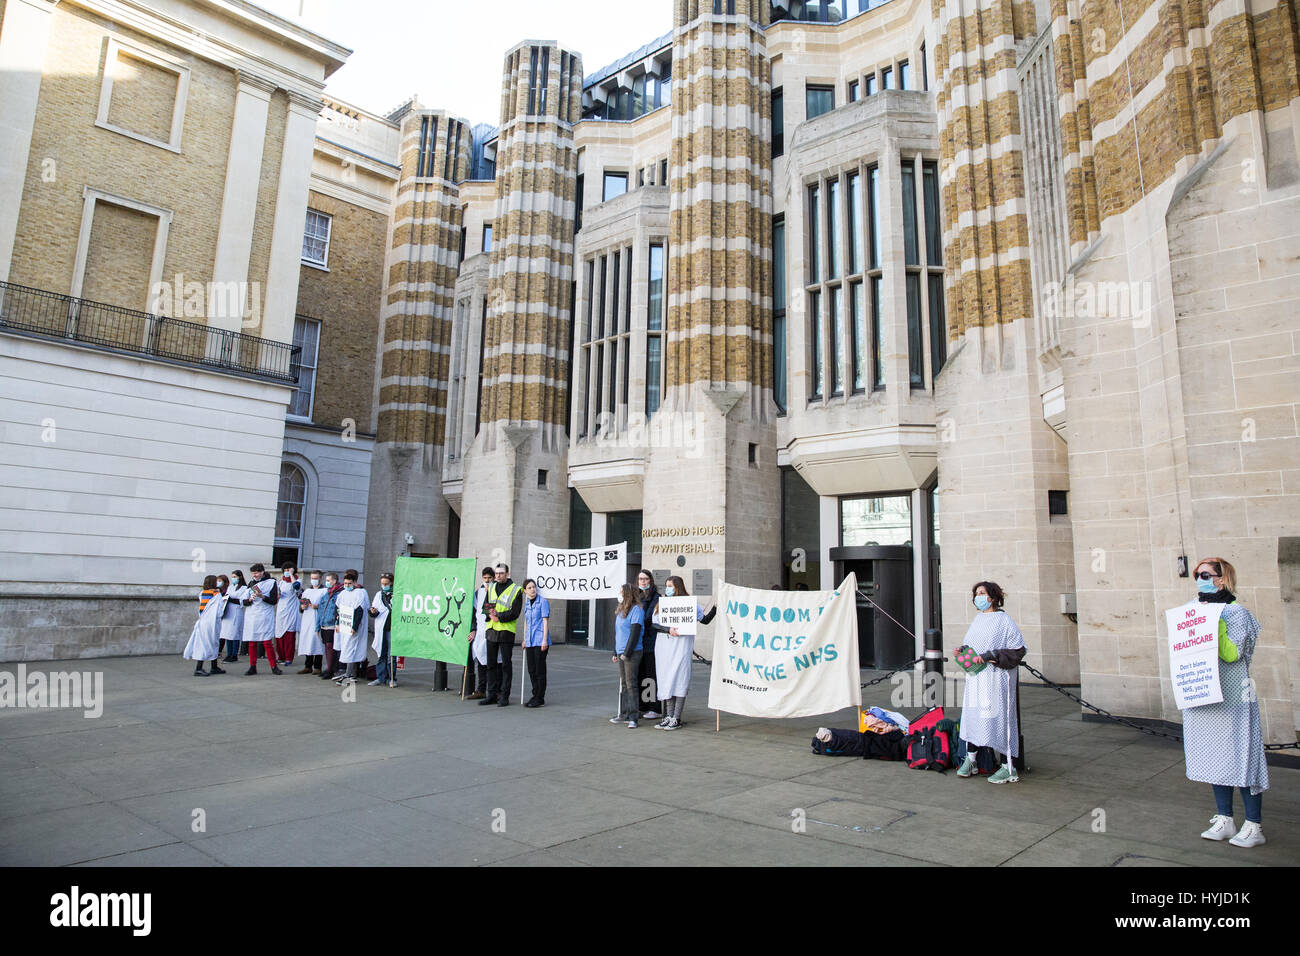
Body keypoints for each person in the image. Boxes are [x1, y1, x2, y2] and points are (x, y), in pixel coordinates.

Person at [1184, 557, 1268, 848]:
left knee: (1242, 759)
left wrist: (1212, 625)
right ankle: (1225, 818)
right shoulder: (1195, 610)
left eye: (1205, 574)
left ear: (1222, 578)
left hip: (1234, 698)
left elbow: (1232, 655)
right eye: (1197, 574)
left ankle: (1254, 825)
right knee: (1213, 757)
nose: (1199, 579)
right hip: (1205, 694)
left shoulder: (1236, 613)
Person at [954, 581, 1025, 783]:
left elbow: (1018, 649)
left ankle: (1008, 766)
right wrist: (962, 650)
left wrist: (989, 655)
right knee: (973, 719)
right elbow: (973, 644)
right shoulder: (977, 620)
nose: (978, 596)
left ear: (992, 597)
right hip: (976, 678)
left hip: (997, 679)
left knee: (1000, 721)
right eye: (976, 593)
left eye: (982, 593)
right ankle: (971, 760)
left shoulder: (1004, 621)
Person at [652, 575, 716, 730]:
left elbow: (705, 620)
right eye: (666, 586)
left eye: (670, 586)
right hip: (664, 648)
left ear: (678, 587)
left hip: (681, 647)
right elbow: (654, 624)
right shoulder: (661, 604)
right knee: (667, 679)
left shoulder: (691, 604)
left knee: (679, 679)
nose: (667, 589)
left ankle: (676, 717)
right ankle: (668, 715)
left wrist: (715, 608)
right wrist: (668, 629)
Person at [480, 563, 523, 707]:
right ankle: (491, 694)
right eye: (496, 573)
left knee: (505, 665)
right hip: (491, 629)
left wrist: (499, 616)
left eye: (501, 573)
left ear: (507, 574)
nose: (498, 576)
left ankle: (504, 696)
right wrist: (490, 614)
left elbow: (515, 612)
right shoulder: (491, 587)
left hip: (506, 631)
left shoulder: (516, 590)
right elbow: (485, 605)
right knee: (491, 664)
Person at [611, 584, 645, 728]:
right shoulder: (620, 611)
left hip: (632, 652)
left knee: (631, 684)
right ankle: (624, 713)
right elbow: (618, 633)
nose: (619, 594)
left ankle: (633, 717)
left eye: (621, 592)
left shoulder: (636, 610)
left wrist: (627, 653)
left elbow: (635, 632)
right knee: (624, 683)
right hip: (621, 652)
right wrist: (615, 652)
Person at [240, 563, 282, 675]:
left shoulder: (271, 583)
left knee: (267, 642)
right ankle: (252, 666)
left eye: (257, 572)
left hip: (264, 615)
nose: (255, 575)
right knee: (252, 642)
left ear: (262, 572)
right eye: (253, 573)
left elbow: (274, 601)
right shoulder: (251, 584)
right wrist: (249, 599)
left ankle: (274, 666)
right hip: (252, 615)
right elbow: (243, 601)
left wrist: (262, 596)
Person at [635, 570, 663, 720]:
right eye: (640, 579)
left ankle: (654, 707)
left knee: (650, 675)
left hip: (651, 642)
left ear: (651, 581)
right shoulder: (636, 597)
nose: (643, 582)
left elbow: (648, 619)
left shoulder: (656, 598)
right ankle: (643, 706)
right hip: (638, 643)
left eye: (645, 579)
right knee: (640, 675)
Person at [185, 575, 226, 676]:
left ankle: (214, 667)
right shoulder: (216, 594)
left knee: (206, 643)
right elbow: (219, 611)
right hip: (212, 623)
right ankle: (199, 669)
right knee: (210, 644)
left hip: (203, 622)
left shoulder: (202, 593)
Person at [333, 570, 369, 685]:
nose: (347, 586)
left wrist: (354, 627)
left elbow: (359, 610)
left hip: (353, 627)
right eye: (345, 583)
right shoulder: (342, 594)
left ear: (354, 582)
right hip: (344, 626)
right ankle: (352, 674)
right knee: (347, 649)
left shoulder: (360, 593)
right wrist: (337, 623)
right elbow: (337, 609)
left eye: (349, 583)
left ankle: (349, 675)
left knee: (351, 649)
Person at [463, 567, 493, 700]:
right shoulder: (478, 592)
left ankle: (493, 690)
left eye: (489, 578)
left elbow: (489, 612)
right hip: (479, 631)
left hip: (491, 630)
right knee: (480, 659)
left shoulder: (494, 591)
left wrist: (490, 593)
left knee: (492, 662)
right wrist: (473, 629)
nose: (487, 580)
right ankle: (481, 689)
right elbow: (474, 613)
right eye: (485, 578)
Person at [521, 578, 551, 707]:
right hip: (530, 640)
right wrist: (524, 639)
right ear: (525, 591)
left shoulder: (542, 602)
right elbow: (527, 622)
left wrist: (544, 639)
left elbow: (545, 621)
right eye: (529, 588)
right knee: (531, 669)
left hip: (540, 640)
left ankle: (540, 697)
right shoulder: (527, 604)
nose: (533, 589)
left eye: (534, 587)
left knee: (540, 670)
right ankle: (534, 694)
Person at [369, 573, 396, 688]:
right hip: (381, 628)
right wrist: (373, 611)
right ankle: (381, 677)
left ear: (391, 583)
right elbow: (374, 611)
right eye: (382, 584)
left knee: (391, 654)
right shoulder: (378, 595)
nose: (384, 586)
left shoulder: (397, 594)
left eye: (386, 584)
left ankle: (392, 678)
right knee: (381, 653)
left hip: (392, 628)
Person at [298, 570, 328, 675]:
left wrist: (317, 606)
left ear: (320, 579)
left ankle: (317, 666)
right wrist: (302, 607)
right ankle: (308, 665)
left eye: (316, 578)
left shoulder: (324, 591)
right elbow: (301, 606)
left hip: (317, 618)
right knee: (307, 640)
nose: (313, 580)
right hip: (307, 618)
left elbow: (327, 605)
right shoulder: (306, 591)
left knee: (317, 641)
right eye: (312, 578)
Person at [274, 562, 302, 666]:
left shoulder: (297, 580)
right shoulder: (281, 582)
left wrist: (291, 575)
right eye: (285, 570)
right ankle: (280, 656)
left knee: (289, 636)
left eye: (288, 570)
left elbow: (296, 587)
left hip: (291, 611)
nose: (286, 572)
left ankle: (288, 658)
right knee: (279, 635)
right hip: (281, 610)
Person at [317, 572, 342, 680]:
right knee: (327, 647)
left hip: (332, 624)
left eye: (329, 580)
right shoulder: (326, 594)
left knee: (330, 647)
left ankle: (331, 669)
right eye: (326, 580)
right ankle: (329, 668)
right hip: (324, 624)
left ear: (334, 581)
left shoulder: (338, 594)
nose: (327, 582)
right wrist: (318, 625)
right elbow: (320, 610)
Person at [220, 570, 246, 662]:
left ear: (240, 577)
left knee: (234, 634)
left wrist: (231, 599)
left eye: (235, 577)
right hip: (228, 611)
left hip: (236, 612)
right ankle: (229, 653)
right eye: (232, 577)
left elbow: (242, 601)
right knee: (227, 633)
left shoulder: (243, 588)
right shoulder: (231, 587)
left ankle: (234, 654)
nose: (233, 578)